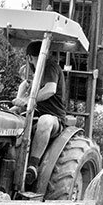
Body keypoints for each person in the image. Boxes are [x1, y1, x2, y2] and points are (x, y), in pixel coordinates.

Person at [12, 41, 66, 183]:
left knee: (45, 121)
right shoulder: (33, 76)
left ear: (29, 58)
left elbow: (50, 89)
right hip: (33, 115)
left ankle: (32, 166)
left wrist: (29, 100)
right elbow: (22, 102)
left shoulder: (50, 67)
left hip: (54, 119)